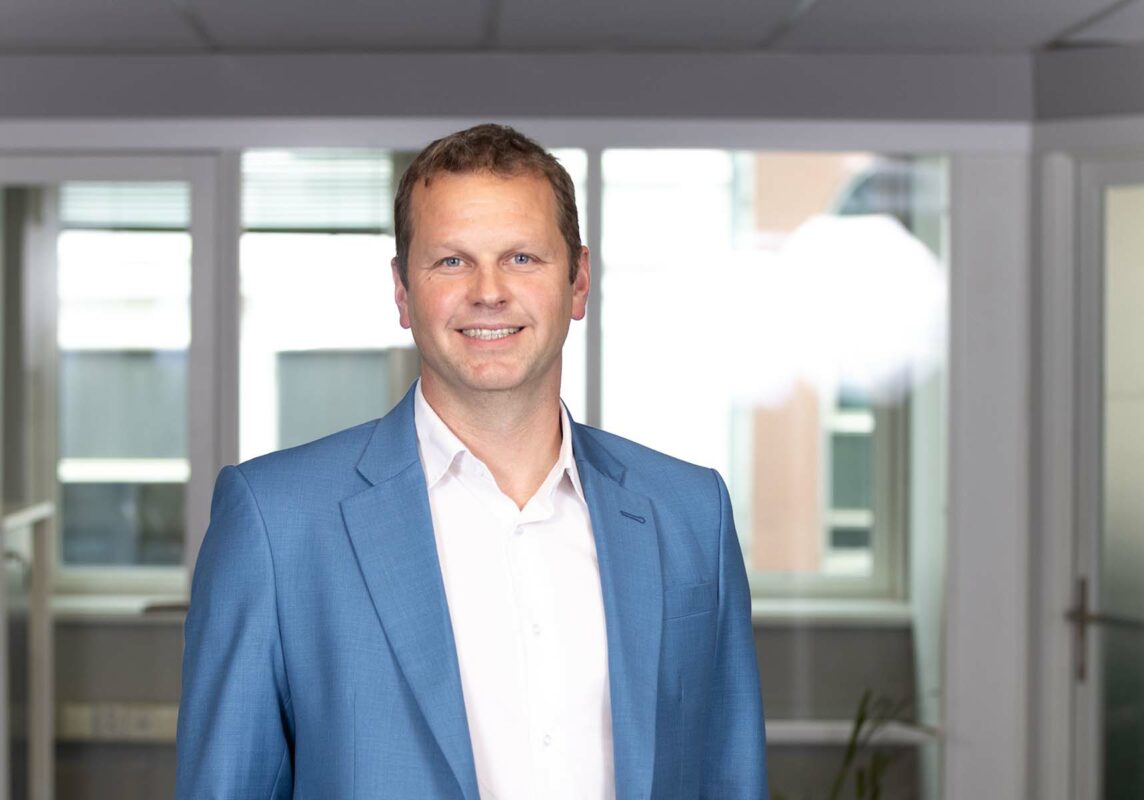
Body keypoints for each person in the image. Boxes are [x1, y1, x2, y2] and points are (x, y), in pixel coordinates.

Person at [175, 124, 767, 799]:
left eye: (522, 258)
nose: (489, 291)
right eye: (451, 261)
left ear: (578, 281)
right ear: (402, 291)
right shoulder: (277, 524)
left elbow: (730, 776)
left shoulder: (692, 515)